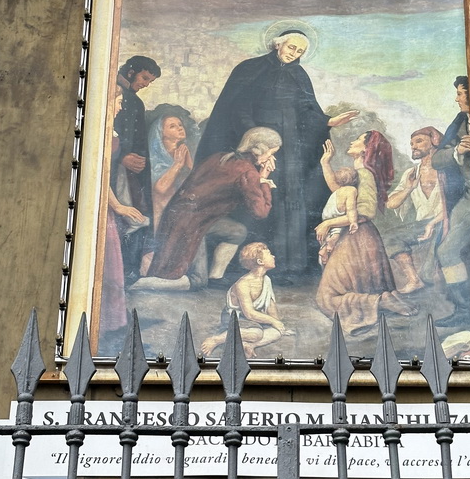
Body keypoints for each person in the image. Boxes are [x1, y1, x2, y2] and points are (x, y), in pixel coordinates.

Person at [195, 26, 358, 277]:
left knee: (288, 201)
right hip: (255, 147)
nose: (294, 53)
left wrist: (328, 121)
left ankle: (287, 267)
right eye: (292, 47)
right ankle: (244, 266)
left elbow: (308, 112)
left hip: (290, 151)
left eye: (300, 51)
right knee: (255, 199)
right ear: (277, 44)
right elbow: (237, 109)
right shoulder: (250, 69)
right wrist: (258, 142)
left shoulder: (299, 75)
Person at [145, 126, 282, 287]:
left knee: (237, 231)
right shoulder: (248, 172)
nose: (271, 159)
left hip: (184, 217)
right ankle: (146, 285)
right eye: (271, 154)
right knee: (196, 280)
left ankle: (216, 277)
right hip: (191, 226)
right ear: (259, 150)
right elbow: (261, 211)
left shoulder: (220, 157)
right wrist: (264, 180)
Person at [315, 132, 414, 335]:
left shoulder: (365, 174)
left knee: (327, 299)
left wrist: (330, 223)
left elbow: (367, 212)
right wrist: (326, 163)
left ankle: (378, 301)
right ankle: (381, 300)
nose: (352, 140)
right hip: (357, 239)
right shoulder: (359, 173)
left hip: (357, 239)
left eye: (357, 139)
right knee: (338, 292)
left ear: (366, 149)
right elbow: (338, 193)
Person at [431, 76, 470, 329]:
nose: (457, 98)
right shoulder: (461, 123)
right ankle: (465, 311)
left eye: (461, 93)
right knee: (446, 250)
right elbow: (437, 159)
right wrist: (458, 151)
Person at [100, 86, 148, 351]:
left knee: (113, 264)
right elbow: (99, 170)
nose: (120, 106)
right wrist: (118, 206)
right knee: (106, 264)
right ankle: (105, 323)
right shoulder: (99, 130)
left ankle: (113, 322)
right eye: (117, 101)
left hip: (110, 199)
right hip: (104, 203)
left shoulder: (112, 130)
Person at [199, 242, 295, 358]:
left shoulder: (266, 280)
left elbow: (270, 305)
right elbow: (249, 313)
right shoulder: (243, 284)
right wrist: (272, 321)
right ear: (260, 262)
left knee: (276, 332)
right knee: (256, 334)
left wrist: (278, 324)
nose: (273, 256)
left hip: (254, 319)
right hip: (236, 317)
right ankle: (217, 339)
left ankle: (250, 345)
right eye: (269, 254)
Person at [113, 55, 162, 283]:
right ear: (131, 72)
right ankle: (120, 271)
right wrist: (122, 157)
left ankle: (128, 271)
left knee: (138, 216)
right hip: (116, 171)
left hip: (131, 172)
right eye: (144, 78)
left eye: (149, 81)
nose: (146, 84)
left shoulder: (134, 101)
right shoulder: (114, 94)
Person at [383, 126, 447, 293]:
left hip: (446, 220)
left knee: (433, 273)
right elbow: (391, 203)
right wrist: (408, 189)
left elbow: (457, 202)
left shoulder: (446, 169)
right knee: (390, 237)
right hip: (422, 224)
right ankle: (414, 280)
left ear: (433, 141)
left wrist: (433, 223)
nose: (413, 146)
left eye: (419, 141)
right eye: (411, 143)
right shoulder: (411, 173)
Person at [147, 111, 193, 230]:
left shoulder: (182, 152)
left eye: (180, 125)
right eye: (172, 126)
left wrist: (187, 162)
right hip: (162, 217)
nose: (179, 128)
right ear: (161, 133)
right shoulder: (155, 158)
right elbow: (160, 188)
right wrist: (177, 165)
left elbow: (194, 183)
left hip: (181, 214)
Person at [317, 166, 359, 267]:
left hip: (328, 215)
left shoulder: (336, 191)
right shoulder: (351, 190)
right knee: (337, 233)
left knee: (330, 233)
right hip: (336, 215)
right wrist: (353, 222)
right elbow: (351, 209)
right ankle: (329, 246)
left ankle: (324, 249)